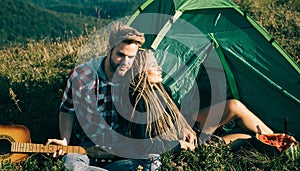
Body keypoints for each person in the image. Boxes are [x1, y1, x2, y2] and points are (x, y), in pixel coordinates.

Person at [46, 23, 195, 171]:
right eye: (120, 55)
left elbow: (161, 98)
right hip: (86, 146)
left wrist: (182, 127)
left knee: (152, 164)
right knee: (70, 165)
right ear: (108, 49)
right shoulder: (82, 76)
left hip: (125, 148)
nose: (126, 62)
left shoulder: (136, 74)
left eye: (131, 57)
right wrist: (65, 140)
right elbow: (67, 110)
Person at [135, 50, 274, 147]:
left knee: (234, 106)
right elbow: (147, 142)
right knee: (246, 138)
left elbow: (177, 114)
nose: (159, 68)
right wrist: (178, 143)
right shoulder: (138, 101)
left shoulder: (163, 89)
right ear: (140, 71)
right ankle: (272, 144)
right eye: (153, 66)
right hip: (177, 141)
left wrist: (184, 127)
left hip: (186, 125)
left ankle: (276, 138)